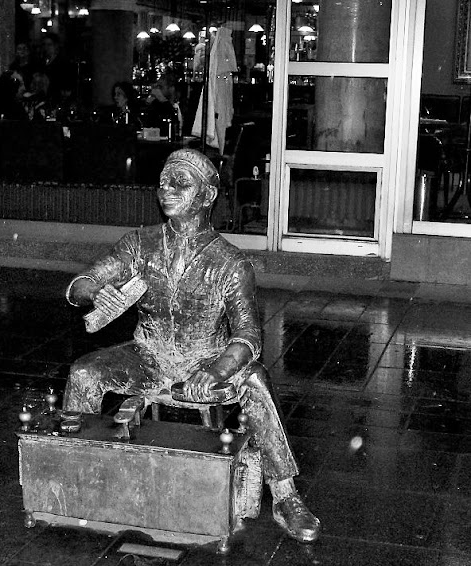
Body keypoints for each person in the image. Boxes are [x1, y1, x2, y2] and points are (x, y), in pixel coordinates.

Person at [62, 148, 321, 544]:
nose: (166, 190)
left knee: (255, 380)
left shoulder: (230, 262)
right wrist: (94, 293)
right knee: (83, 372)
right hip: (148, 356)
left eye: (179, 184)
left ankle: (285, 494)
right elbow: (80, 284)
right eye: (163, 183)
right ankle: (73, 470)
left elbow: (249, 336)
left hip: (205, 358)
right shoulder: (140, 245)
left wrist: (216, 371)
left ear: (207, 196)